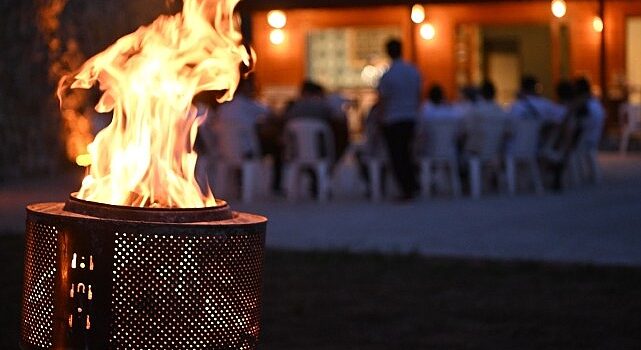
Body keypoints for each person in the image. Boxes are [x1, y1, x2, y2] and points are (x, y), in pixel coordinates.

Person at [377, 38, 422, 201]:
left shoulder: (388, 75)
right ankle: (412, 185)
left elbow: (383, 100)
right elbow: (418, 96)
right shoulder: (413, 71)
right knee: (407, 153)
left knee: (398, 155)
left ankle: (406, 189)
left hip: (394, 119)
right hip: (410, 117)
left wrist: (380, 120)